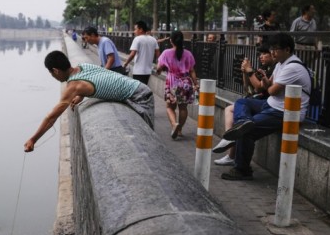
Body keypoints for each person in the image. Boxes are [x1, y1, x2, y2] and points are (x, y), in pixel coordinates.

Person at [220, 33, 311, 181]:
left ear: (287, 50)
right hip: (271, 105)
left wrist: (264, 83)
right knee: (241, 103)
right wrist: (264, 80)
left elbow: (271, 91)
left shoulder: (293, 67)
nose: (272, 52)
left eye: (275, 49)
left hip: (283, 112)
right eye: (272, 49)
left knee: (247, 132)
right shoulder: (281, 64)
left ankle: (242, 169)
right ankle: (243, 121)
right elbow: (266, 86)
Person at [24, 51, 154, 152]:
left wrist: (33, 139)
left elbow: (51, 118)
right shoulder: (82, 67)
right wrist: (81, 95)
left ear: (55, 71)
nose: (53, 77)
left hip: (140, 97)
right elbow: (96, 79)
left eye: (51, 74)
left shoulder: (74, 86)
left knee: (148, 141)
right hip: (139, 87)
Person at [213, 45, 276, 166]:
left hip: (266, 105)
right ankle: (230, 147)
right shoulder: (264, 68)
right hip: (258, 102)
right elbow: (248, 89)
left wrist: (250, 71)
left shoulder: (274, 69)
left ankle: (230, 147)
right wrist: (244, 73)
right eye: (260, 54)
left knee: (235, 114)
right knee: (232, 112)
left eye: (264, 54)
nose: (261, 57)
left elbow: (258, 88)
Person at [156, 30, 199, 140]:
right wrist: (196, 83)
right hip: (185, 83)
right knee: (183, 108)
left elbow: (159, 68)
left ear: (171, 40)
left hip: (172, 83)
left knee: (170, 106)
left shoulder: (166, 53)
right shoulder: (188, 54)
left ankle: (175, 124)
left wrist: (159, 70)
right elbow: (192, 71)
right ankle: (179, 130)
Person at [123, 20, 159, 85]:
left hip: (138, 71)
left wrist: (125, 63)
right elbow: (158, 54)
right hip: (148, 71)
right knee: (144, 88)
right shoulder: (153, 39)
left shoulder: (137, 39)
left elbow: (132, 54)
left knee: (138, 91)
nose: (134, 31)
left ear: (141, 29)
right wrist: (158, 65)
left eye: (135, 29)